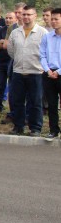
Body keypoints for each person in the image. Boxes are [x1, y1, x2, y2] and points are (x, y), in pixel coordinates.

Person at [7, 6, 47, 136]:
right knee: (17, 101)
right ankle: (18, 126)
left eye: (29, 14)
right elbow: (11, 51)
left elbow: (47, 52)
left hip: (36, 72)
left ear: (35, 16)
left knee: (35, 102)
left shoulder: (42, 33)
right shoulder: (15, 32)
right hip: (18, 72)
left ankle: (35, 128)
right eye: (24, 14)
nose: (26, 17)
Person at [40, 8, 61, 141]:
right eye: (52, 19)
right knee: (52, 105)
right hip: (49, 74)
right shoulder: (47, 37)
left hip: (59, 72)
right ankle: (53, 130)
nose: (53, 21)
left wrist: (58, 72)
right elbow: (42, 55)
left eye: (56, 19)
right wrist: (47, 70)